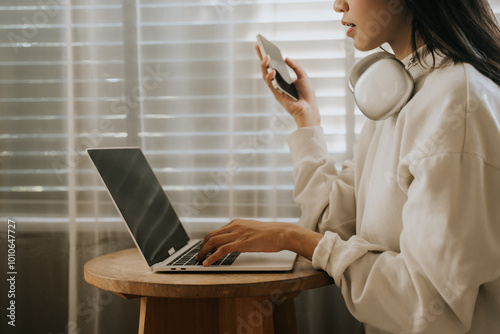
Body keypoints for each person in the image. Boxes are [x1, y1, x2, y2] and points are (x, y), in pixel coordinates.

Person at [196, 0, 500, 332]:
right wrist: (306, 120)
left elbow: (432, 305)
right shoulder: (400, 93)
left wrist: (292, 238)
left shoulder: (458, 104)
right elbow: (332, 224)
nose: (337, 5)